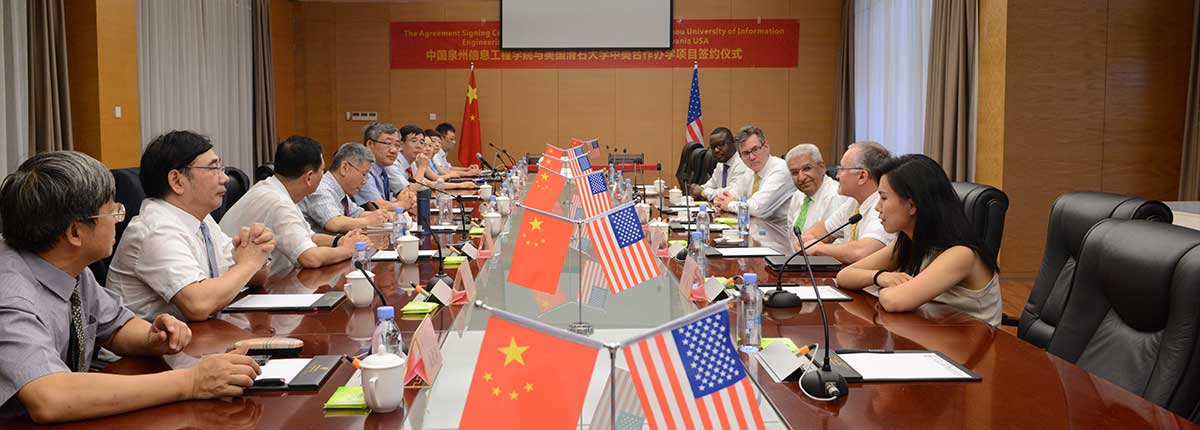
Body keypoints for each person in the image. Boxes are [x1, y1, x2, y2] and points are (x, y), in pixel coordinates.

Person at [0, 151, 261, 423]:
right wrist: (192, 382)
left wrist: (151, 337)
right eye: (112, 210)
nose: (118, 218)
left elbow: (114, 326)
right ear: (75, 233)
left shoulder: (65, 263)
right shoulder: (10, 294)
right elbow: (50, 398)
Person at [107, 131, 275, 321]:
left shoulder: (202, 220)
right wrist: (250, 262)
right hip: (149, 349)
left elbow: (253, 276)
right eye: (214, 169)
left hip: (199, 341)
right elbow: (198, 304)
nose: (225, 178)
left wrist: (256, 251)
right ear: (177, 181)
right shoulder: (155, 229)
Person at [835, 154, 1001, 326]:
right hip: (929, 334)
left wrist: (886, 286)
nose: (878, 207)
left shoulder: (961, 254)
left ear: (912, 205)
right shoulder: (908, 243)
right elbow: (845, 276)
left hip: (970, 345)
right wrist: (880, 277)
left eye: (883, 198)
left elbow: (894, 301)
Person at [218, 136, 368, 274]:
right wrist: (348, 249)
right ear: (309, 177)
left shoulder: (276, 189)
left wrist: (340, 241)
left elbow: (310, 237)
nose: (324, 175)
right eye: (322, 170)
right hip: (242, 291)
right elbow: (310, 258)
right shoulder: (278, 202)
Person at [801, 141, 895, 263]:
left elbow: (862, 252)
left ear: (862, 176)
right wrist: (806, 239)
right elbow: (825, 229)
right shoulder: (853, 203)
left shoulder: (883, 206)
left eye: (842, 169)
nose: (837, 175)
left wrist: (818, 248)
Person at [299, 142, 393, 235]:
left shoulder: (340, 191)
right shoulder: (321, 188)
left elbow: (356, 213)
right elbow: (334, 222)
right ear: (345, 168)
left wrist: (383, 216)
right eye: (364, 174)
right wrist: (368, 221)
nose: (365, 181)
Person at [712, 126, 793, 228]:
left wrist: (729, 204)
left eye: (755, 149)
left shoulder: (780, 170)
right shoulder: (750, 172)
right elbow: (730, 194)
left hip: (781, 236)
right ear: (740, 157)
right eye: (746, 153)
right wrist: (723, 200)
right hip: (757, 231)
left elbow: (757, 208)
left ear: (766, 147)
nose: (752, 157)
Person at [784, 144, 853, 235]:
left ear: (822, 167)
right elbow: (791, 233)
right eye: (795, 173)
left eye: (807, 169)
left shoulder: (836, 196)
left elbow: (839, 241)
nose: (801, 178)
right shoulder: (798, 194)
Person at [353, 122, 418, 212]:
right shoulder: (362, 170)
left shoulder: (383, 169)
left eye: (397, 145)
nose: (394, 150)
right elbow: (377, 205)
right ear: (370, 144)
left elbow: (390, 200)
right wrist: (404, 204)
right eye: (388, 143)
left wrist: (406, 199)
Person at [689, 127, 753, 201]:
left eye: (721, 144)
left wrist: (703, 192)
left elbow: (730, 193)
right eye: (713, 147)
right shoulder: (721, 164)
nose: (716, 150)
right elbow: (711, 184)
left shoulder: (742, 162)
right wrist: (698, 189)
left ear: (733, 143)